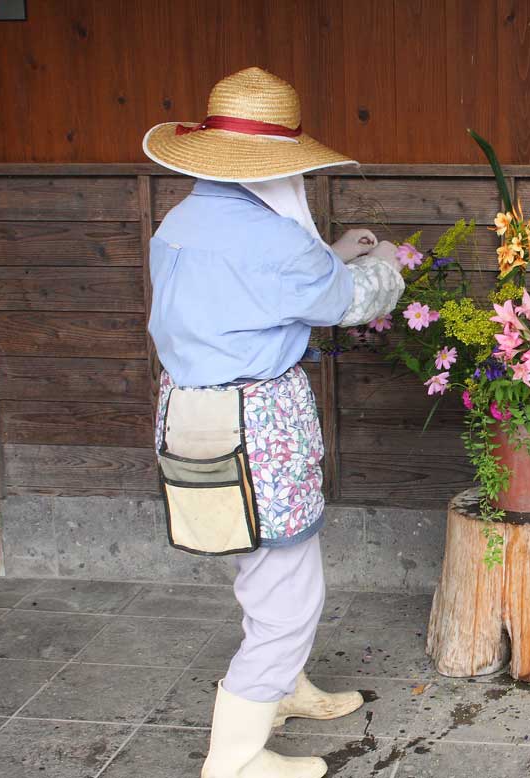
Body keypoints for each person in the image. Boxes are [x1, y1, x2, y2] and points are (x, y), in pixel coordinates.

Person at [143, 67, 403, 778]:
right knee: (289, 591)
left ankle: (283, 689)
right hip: (256, 423)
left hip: (192, 417)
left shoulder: (182, 222)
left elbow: (254, 284)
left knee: (259, 570)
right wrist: (382, 260)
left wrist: (331, 252)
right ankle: (236, 757)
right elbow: (352, 302)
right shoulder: (273, 242)